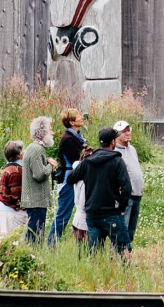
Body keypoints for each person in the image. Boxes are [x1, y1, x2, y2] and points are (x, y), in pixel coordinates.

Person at [76, 125, 131, 253]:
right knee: (122, 249)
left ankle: (94, 271)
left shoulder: (88, 161)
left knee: (94, 252)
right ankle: (120, 271)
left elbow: (72, 177)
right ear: (112, 142)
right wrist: (122, 206)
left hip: (92, 213)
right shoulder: (117, 161)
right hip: (111, 212)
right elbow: (127, 187)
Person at [48, 108, 88, 248]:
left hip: (77, 179)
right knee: (63, 215)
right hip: (69, 181)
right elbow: (80, 159)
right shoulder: (68, 139)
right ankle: (51, 245)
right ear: (71, 122)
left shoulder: (78, 137)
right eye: (78, 116)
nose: (81, 117)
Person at [111, 120, 145, 254]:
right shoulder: (115, 152)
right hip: (126, 196)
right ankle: (117, 254)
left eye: (128, 130)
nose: (127, 133)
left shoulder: (132, 149)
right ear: (117, 135)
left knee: (131, 229)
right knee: (122, 228)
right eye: (124, 131)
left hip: (137, 194)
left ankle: (126, 254)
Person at [21, 117, 56, 242]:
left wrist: (46, 162)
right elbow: (39, 174)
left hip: (35, 200)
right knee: (34, 237)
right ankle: (31, 258)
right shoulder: (36, 149)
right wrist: (51, 165)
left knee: (36, 234)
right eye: (50, 130)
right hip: (35, 200)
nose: (53, 133)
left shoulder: (35, 148)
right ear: (43, 133)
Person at [0, 140, 26, 237]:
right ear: (19, 155)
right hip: (7, 208)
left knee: (6, 237)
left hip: (3, 206)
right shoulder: (16, 171)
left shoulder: (9, 168)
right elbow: (16, 195)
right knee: (9, 239)